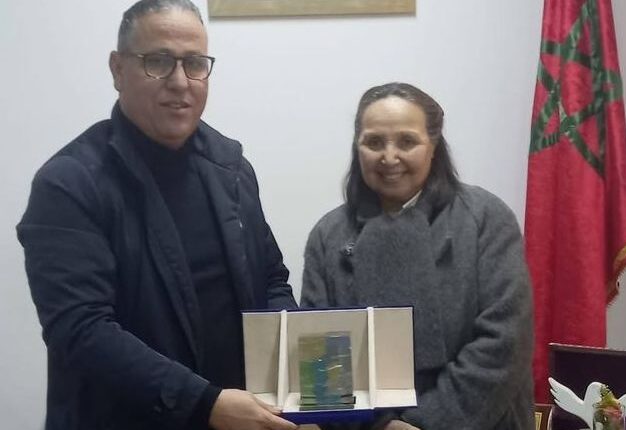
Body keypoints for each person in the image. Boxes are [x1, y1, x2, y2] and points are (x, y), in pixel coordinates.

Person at [17, 1, 298, 429]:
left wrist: (290, 377)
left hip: (241, 416)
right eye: (159, 61)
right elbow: (81, 330)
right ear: (117, 69)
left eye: (195, 63)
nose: (180, 82)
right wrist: (205, 404)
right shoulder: (69, 184)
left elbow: (272, 280)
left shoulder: (231, 168)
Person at [300, 82, 534, 430]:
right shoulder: (328, 235)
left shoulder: (486, 218)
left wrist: (425, 424)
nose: (389, 157)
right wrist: (382, 425)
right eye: (374, 142)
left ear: (433, 146)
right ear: (357, 147)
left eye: (407, 142)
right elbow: (323, 367)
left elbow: (504, 342)